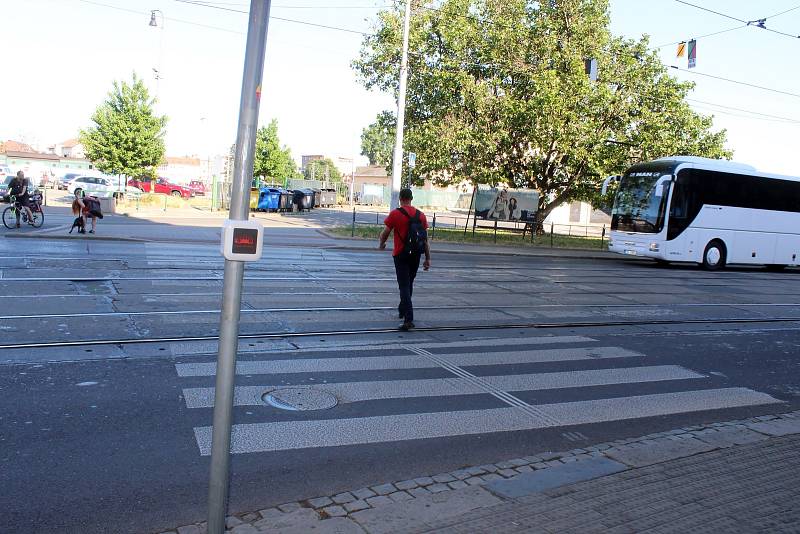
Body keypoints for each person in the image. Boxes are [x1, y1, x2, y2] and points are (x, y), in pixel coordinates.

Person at [379, 188, 431, 331]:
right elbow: (425, 239)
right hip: (416, 254)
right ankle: (402, 309)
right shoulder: (421, 215)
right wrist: (427, 258)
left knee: (403, 286)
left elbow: (385, 233)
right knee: (409, 284)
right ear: (411, 198)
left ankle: (408, 319)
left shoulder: (396, 214)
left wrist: (382, 243)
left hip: (401, 254)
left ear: (401, 198)